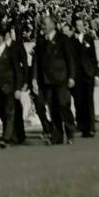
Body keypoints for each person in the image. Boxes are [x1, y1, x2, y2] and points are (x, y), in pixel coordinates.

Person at [33, 14, 76, 145]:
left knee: (63, 105)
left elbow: (70, 59)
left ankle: (70, 132)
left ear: (53, 24)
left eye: (45, 24)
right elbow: (36, 62)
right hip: (47, 80)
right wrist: (34, 78)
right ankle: (57, 136)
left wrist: (72, 77)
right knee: (53, 108)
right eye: (42, 24)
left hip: (62, 79)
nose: (43, 26)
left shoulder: (63, 39)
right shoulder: (40, 41)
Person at [0, 24, 23, 146]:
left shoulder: (11, 52)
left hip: (10, 87)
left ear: (1, 37)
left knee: (9, 112)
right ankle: (12, 136)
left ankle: (6, 138)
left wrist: (18, 88)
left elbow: (17, 70)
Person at [71, 16, 98, 136]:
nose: (79, 27)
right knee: (79, 101)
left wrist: (95, 74)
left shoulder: (89, 39)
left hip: (88, 74)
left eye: (81, 25)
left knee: (89, 100)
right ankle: (81, 125)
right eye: (77, 25)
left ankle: (91, 126)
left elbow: (94, 58)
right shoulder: (71, 40)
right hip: (77, 76)